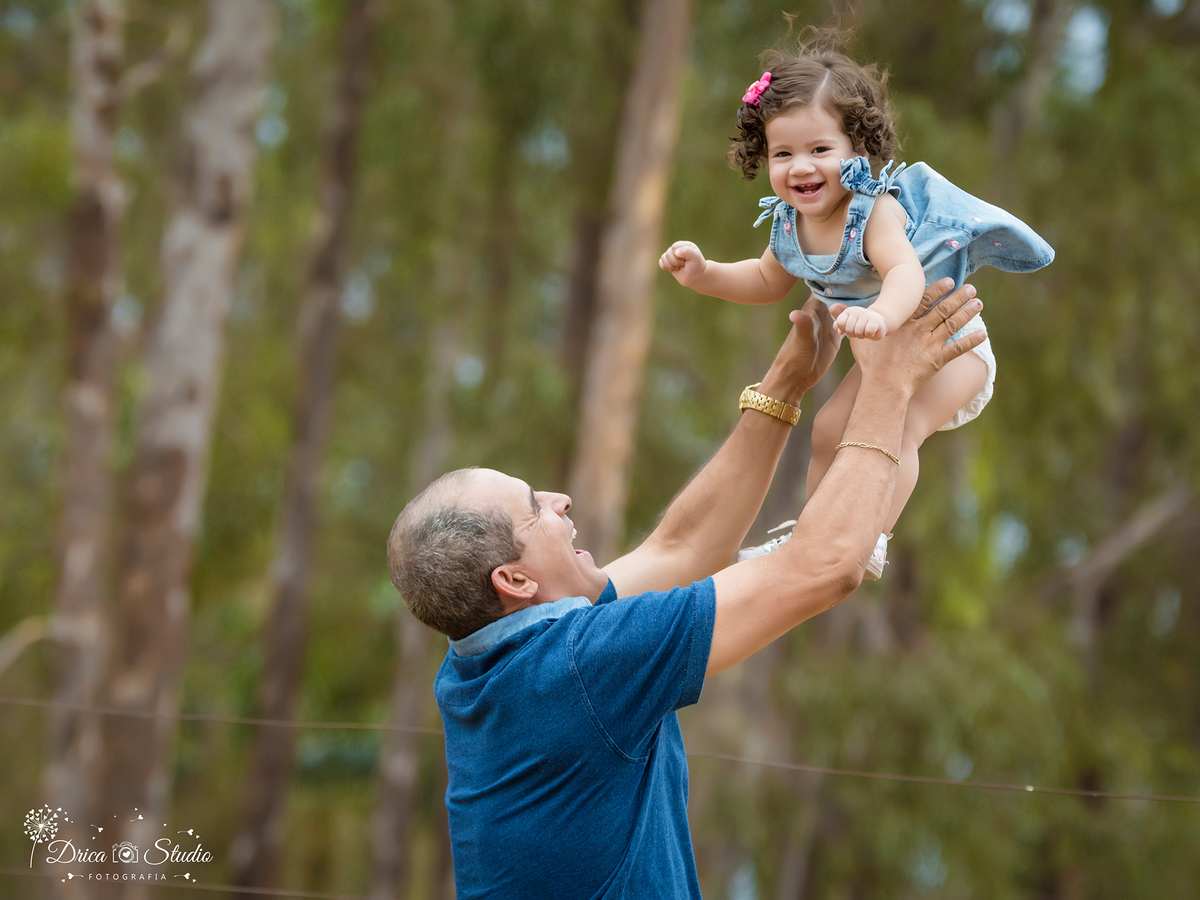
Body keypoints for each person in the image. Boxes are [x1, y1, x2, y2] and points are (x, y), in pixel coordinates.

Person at [387, 280, 986, 898]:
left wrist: (785, 383)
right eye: (535, 509)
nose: (560, 499)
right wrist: (889, 384)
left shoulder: (488, 659)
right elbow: (827, 565)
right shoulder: (580, 667)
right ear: (513, 580)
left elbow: (682, 549)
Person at [659, 39, 1053, 579]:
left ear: (858, 150)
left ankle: (870, 536)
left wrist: (884, 318)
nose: (801, 167)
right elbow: (765, 280)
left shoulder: (873, 212)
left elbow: (905, 273)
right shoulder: (787, 224)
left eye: (820, 150)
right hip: (888, 357)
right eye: (783, 154)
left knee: (899, 426)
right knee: (827, 431)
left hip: (950, 346)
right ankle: (812, 535)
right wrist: (704, 273)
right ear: (764, 156)